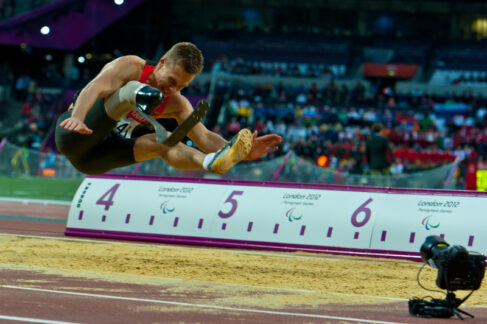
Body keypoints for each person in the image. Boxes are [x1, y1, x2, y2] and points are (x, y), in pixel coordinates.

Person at [55, 42, 281, 175]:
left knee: (164, 139)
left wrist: (240, 152)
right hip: (76, 134)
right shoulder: (130, 67)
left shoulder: (176, 102)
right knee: (131, 89)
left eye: (182, 86)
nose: (172, 90)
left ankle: (208, 163)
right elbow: (94, 87)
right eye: (172, 80)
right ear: (161, 62)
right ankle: (136, 94)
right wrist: (78, 117)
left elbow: (204, 137)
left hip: (97, 159)